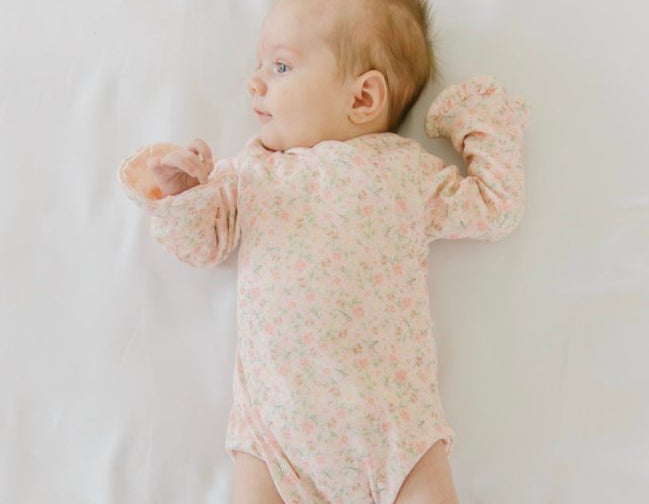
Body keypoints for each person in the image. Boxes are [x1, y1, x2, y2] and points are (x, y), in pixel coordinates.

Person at [117, 0, 531, 502]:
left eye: (281, 66)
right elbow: (203, 245)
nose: (254, 82)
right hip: (274, 438)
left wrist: (481, 121)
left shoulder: (405, 174)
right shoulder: (252, 171)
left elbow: (492, 208)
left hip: (395, 435)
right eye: (259, 64)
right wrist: (185, 195)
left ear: (363, 97)